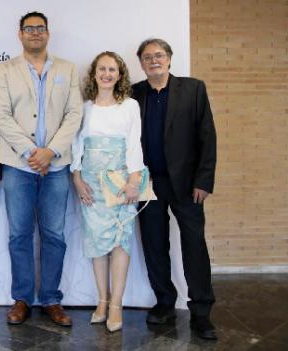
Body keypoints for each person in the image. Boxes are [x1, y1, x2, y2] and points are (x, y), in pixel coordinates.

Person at [0, 11, 83, 327]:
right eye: (28, 28)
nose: (34, 33)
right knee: (19, 234)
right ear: (20, 34)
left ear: (48, 33)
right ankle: (22, 299)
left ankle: (52, 299)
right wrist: (33, 153)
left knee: (54, 235)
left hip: (56, 165)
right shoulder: (4, 70)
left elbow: (74, 115)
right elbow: (1, 117)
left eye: (40, 28)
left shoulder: (68, 70)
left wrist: (51, 152)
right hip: (19, 165)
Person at [132, 38, 218, 340]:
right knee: (155, 245)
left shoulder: (193, 89)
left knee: (194, 246)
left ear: (169, 59)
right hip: (148, 184)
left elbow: (207, 136)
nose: (154, 60)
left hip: (186, 184)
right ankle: (164, 302)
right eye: (147, 57)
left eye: (159, 55)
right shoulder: (133, 94)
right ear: (141, 63)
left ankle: (202, 312)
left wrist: (203, 181)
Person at [71, 51, 144, 332]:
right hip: (90, 182)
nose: (107, 74)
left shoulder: (130, 106)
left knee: (119, 242)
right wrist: (77, 178)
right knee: (96, 243)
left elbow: (134, 144)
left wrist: (134, 180)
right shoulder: (85, 107)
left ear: (120, 74)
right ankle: (102, 301)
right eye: (102, 69)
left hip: (121, 182)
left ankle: (117, 305)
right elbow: (77, 145)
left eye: (112, 69)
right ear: (94, 74)